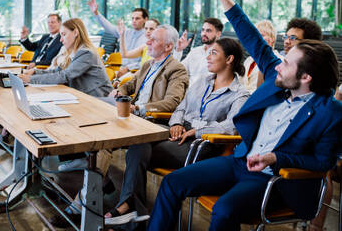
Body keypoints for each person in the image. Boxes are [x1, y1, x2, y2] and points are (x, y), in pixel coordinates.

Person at [147, 0, 342, 231]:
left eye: (286, 62)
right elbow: (251, 38)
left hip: (274, 179)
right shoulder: (278, 82)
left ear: (306, 77)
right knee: (173, 182)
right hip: (240, 161)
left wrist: (276, 158)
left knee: (224, 209)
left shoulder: (328, 111)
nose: (278, 65)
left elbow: (323, 163)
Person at [49, 25, 189, 228]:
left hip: (153, 122)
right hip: (132, 120)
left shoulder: (177, 69)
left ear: (168, 46)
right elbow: (129, 84)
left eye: (154, 40)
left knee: (110, 142)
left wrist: (138, 107)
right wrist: (120, 91)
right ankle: (97, 190)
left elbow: (172, 102)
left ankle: (83, 203)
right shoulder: (148, 65)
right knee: (96, 132)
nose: (147, 42)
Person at [105, 38, 249, 227]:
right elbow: (180, 108)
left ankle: (130, 207)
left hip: (201, 144)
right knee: (138, 140)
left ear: (229, 59)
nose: (208, 56)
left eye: (214, 53)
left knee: (138, 149)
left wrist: (197, 131)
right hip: (179, 133)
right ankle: (131, 208)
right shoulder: (201, 83)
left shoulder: (240, 93)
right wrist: (176, 123)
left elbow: (232, 126)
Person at [18, 18, 112, 97]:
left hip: (97, 98)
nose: (61, 39)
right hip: (82, 95)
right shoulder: (74, 52)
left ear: (75, 32)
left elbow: (64, 76)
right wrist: (34, 72)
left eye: (63, 34)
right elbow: (57, 71)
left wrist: (30, 79)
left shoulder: (86, 53)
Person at [87, 0, 148, 77]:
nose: (134, 21)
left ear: (145, 19)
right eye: (132, 18)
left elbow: (146, 62)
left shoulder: (148, 37)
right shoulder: (126, 32)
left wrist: (128, 68)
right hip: (120, 67)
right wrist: (96, 13)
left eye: (137, 18)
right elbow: (108, 26)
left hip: (134, 70)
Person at [178, 17, 223, 85]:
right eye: (203, 30)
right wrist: (179, 50)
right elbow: (179, 70)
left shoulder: (222, 55)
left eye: (208, 31)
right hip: (187, 91)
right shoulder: (195, 51)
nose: (204, 33)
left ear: (218, 34)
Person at [242, 20, 283, 93]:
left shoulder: (279, 61)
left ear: (272, 38)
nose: (256, 39)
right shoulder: (249, 60)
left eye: (261, 36)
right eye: (254, 36)